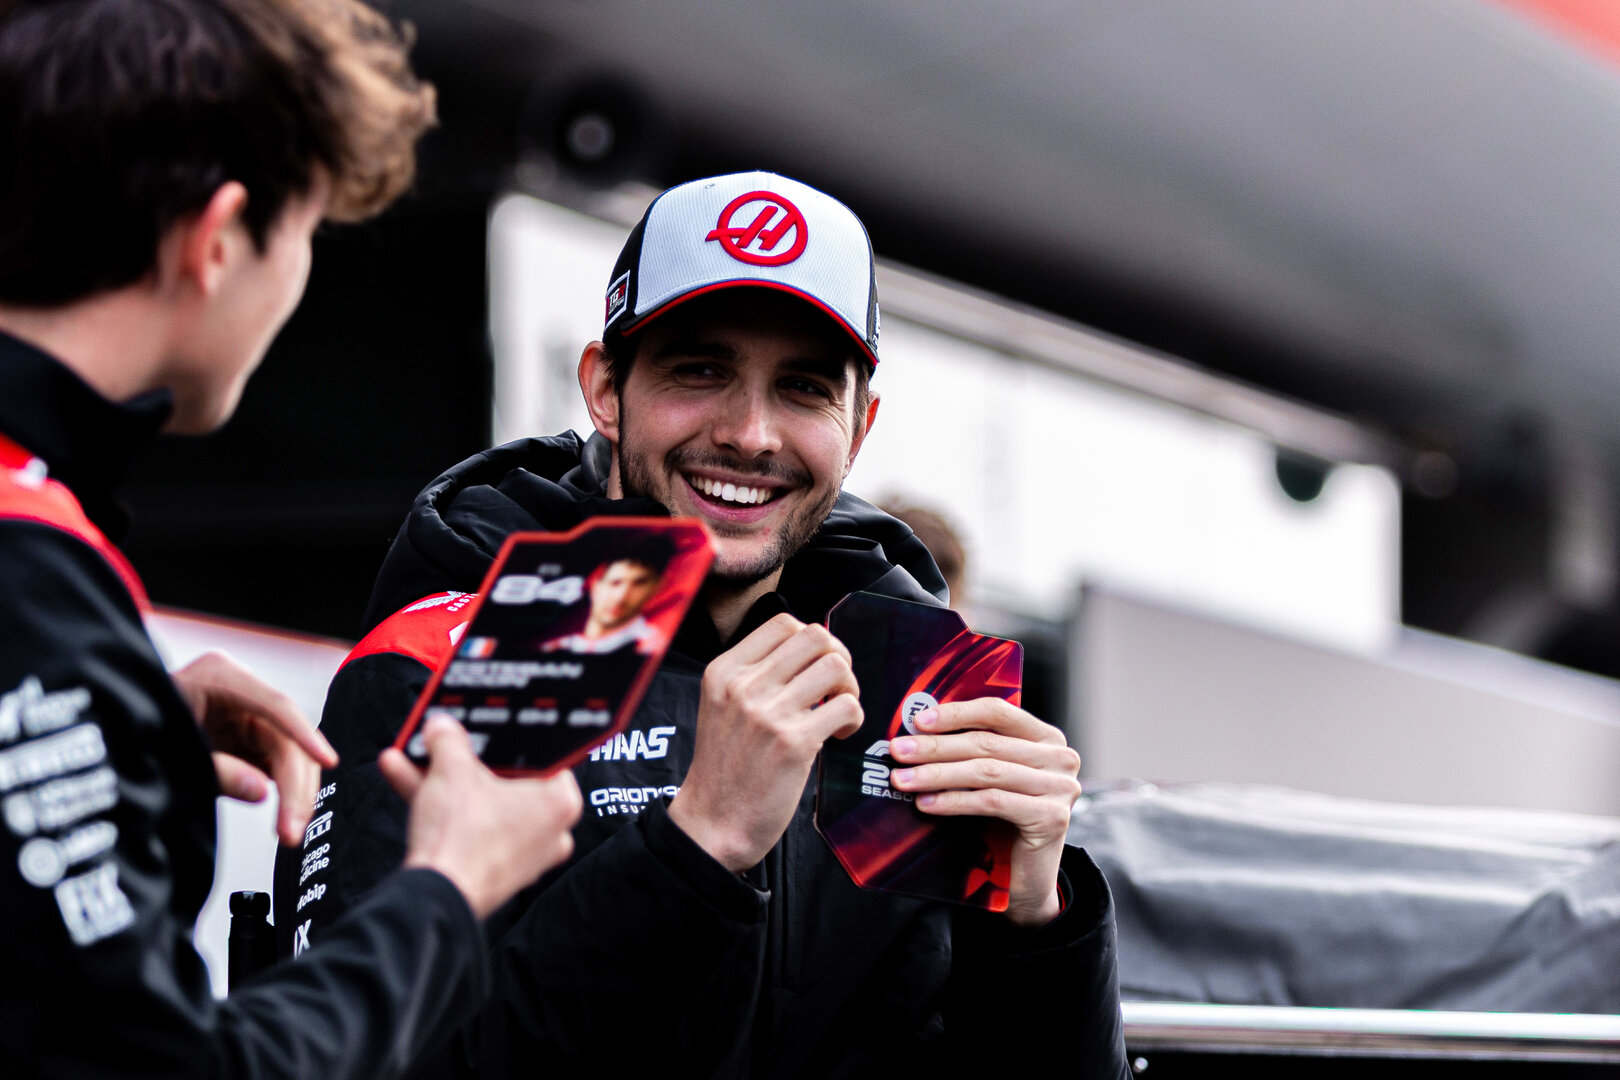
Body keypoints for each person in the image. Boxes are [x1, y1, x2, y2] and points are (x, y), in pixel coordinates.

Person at [280, 172, 1128, 1077]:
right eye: (701, 370)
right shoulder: (447, 661)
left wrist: (1039, 921)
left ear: (861, 427)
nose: (751, 433)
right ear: (605, 387)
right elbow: (348, 1062)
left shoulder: (910, 685)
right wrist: (698, 844)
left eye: (803, 388)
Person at [0, 1, 581, 1076]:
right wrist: (446, 889)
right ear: (217, 240)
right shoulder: (30, 573)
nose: (301, 283)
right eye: (307, 234)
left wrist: (121, 729)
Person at [542, 548, 669, 656]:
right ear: (595, 586)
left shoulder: (652, 648)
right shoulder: (556, 647)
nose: (621, 596)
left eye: (638, 584)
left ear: (656, 588)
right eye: (615, 583)